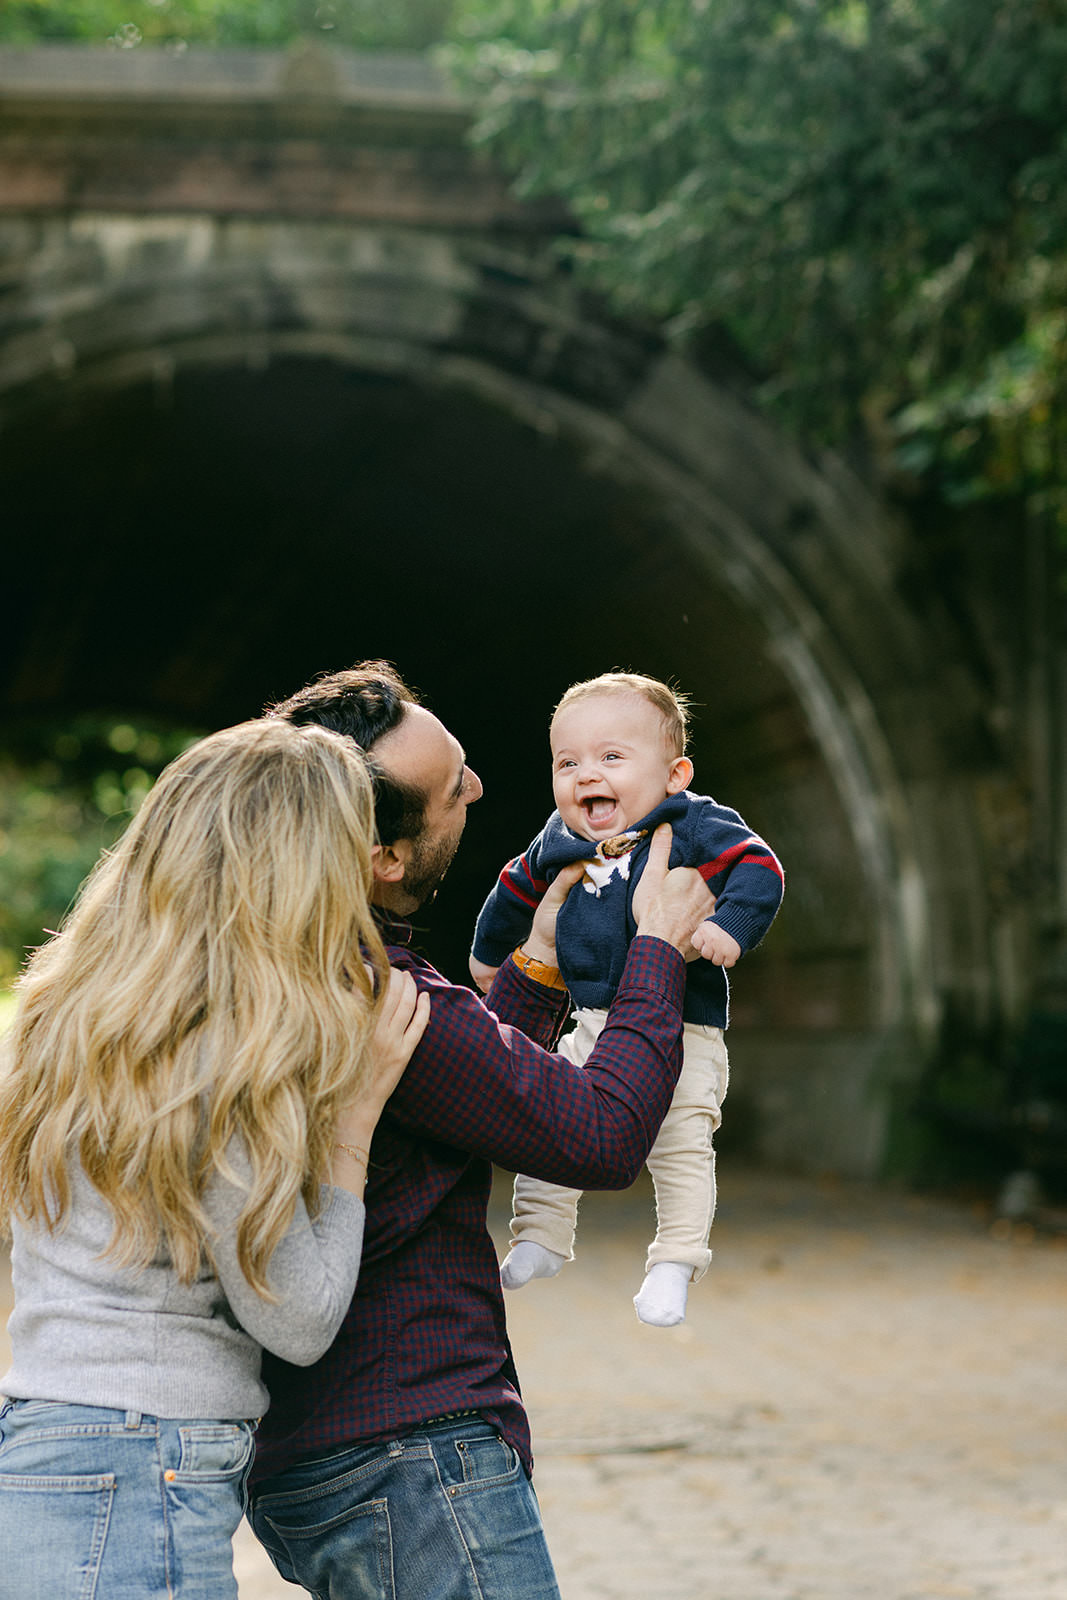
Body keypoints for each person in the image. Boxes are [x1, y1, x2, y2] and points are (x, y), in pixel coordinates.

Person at [245, 660, 718, 1600]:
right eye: (450, 781)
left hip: (313, 1448)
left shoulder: (288, 976)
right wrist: (656, 950)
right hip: (411, 1460)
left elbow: (465, 1092)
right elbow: (596, 1137)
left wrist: (535, 972)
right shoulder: (381, 995)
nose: (478, 786)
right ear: (381, 856)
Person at [0, 718, 429, 1600]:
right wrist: (353, 1124)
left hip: (41, 1433)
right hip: (141, 1461)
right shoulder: (224, 1060)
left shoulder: (59, 1018)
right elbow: (298, 1320)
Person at [469, 672, 784, 1327]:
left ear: (674, 774)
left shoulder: (694, 821)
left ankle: (674, 1259)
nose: (587, 775)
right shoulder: (561, 837)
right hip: (587, 1020)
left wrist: (730, 924)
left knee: (680, 1145)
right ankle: (540, 1236)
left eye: (611, 758)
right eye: (568, 762)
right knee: (552, 1127)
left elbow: (759, 868)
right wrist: (491, 954)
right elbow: (513, 888)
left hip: (684, 1026)